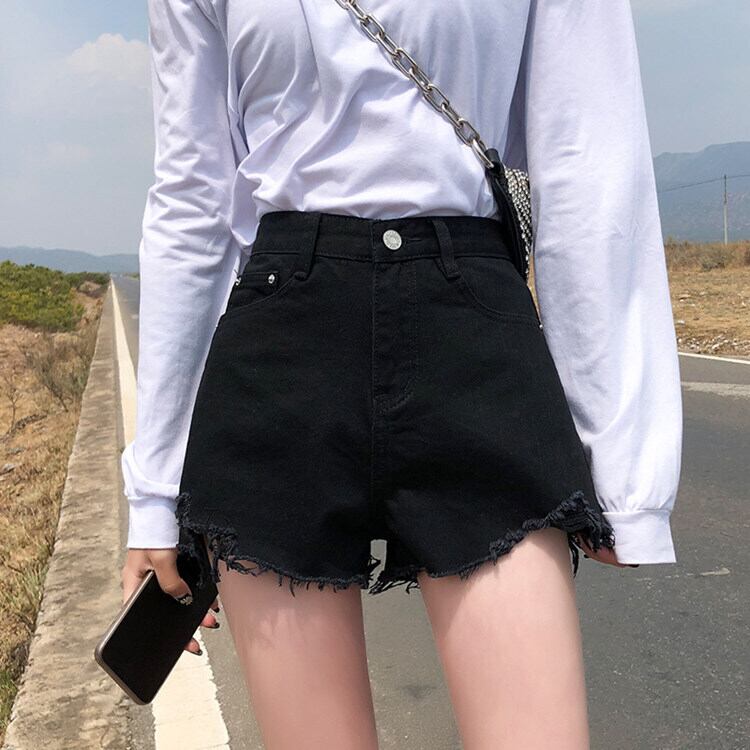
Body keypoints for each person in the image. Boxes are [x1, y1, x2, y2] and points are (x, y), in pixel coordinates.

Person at [120, 0, 683, 747]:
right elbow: (192, 197)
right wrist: (156, 495)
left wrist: (625, 467)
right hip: (279, 351)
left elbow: (589, 161)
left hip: (472, 334)